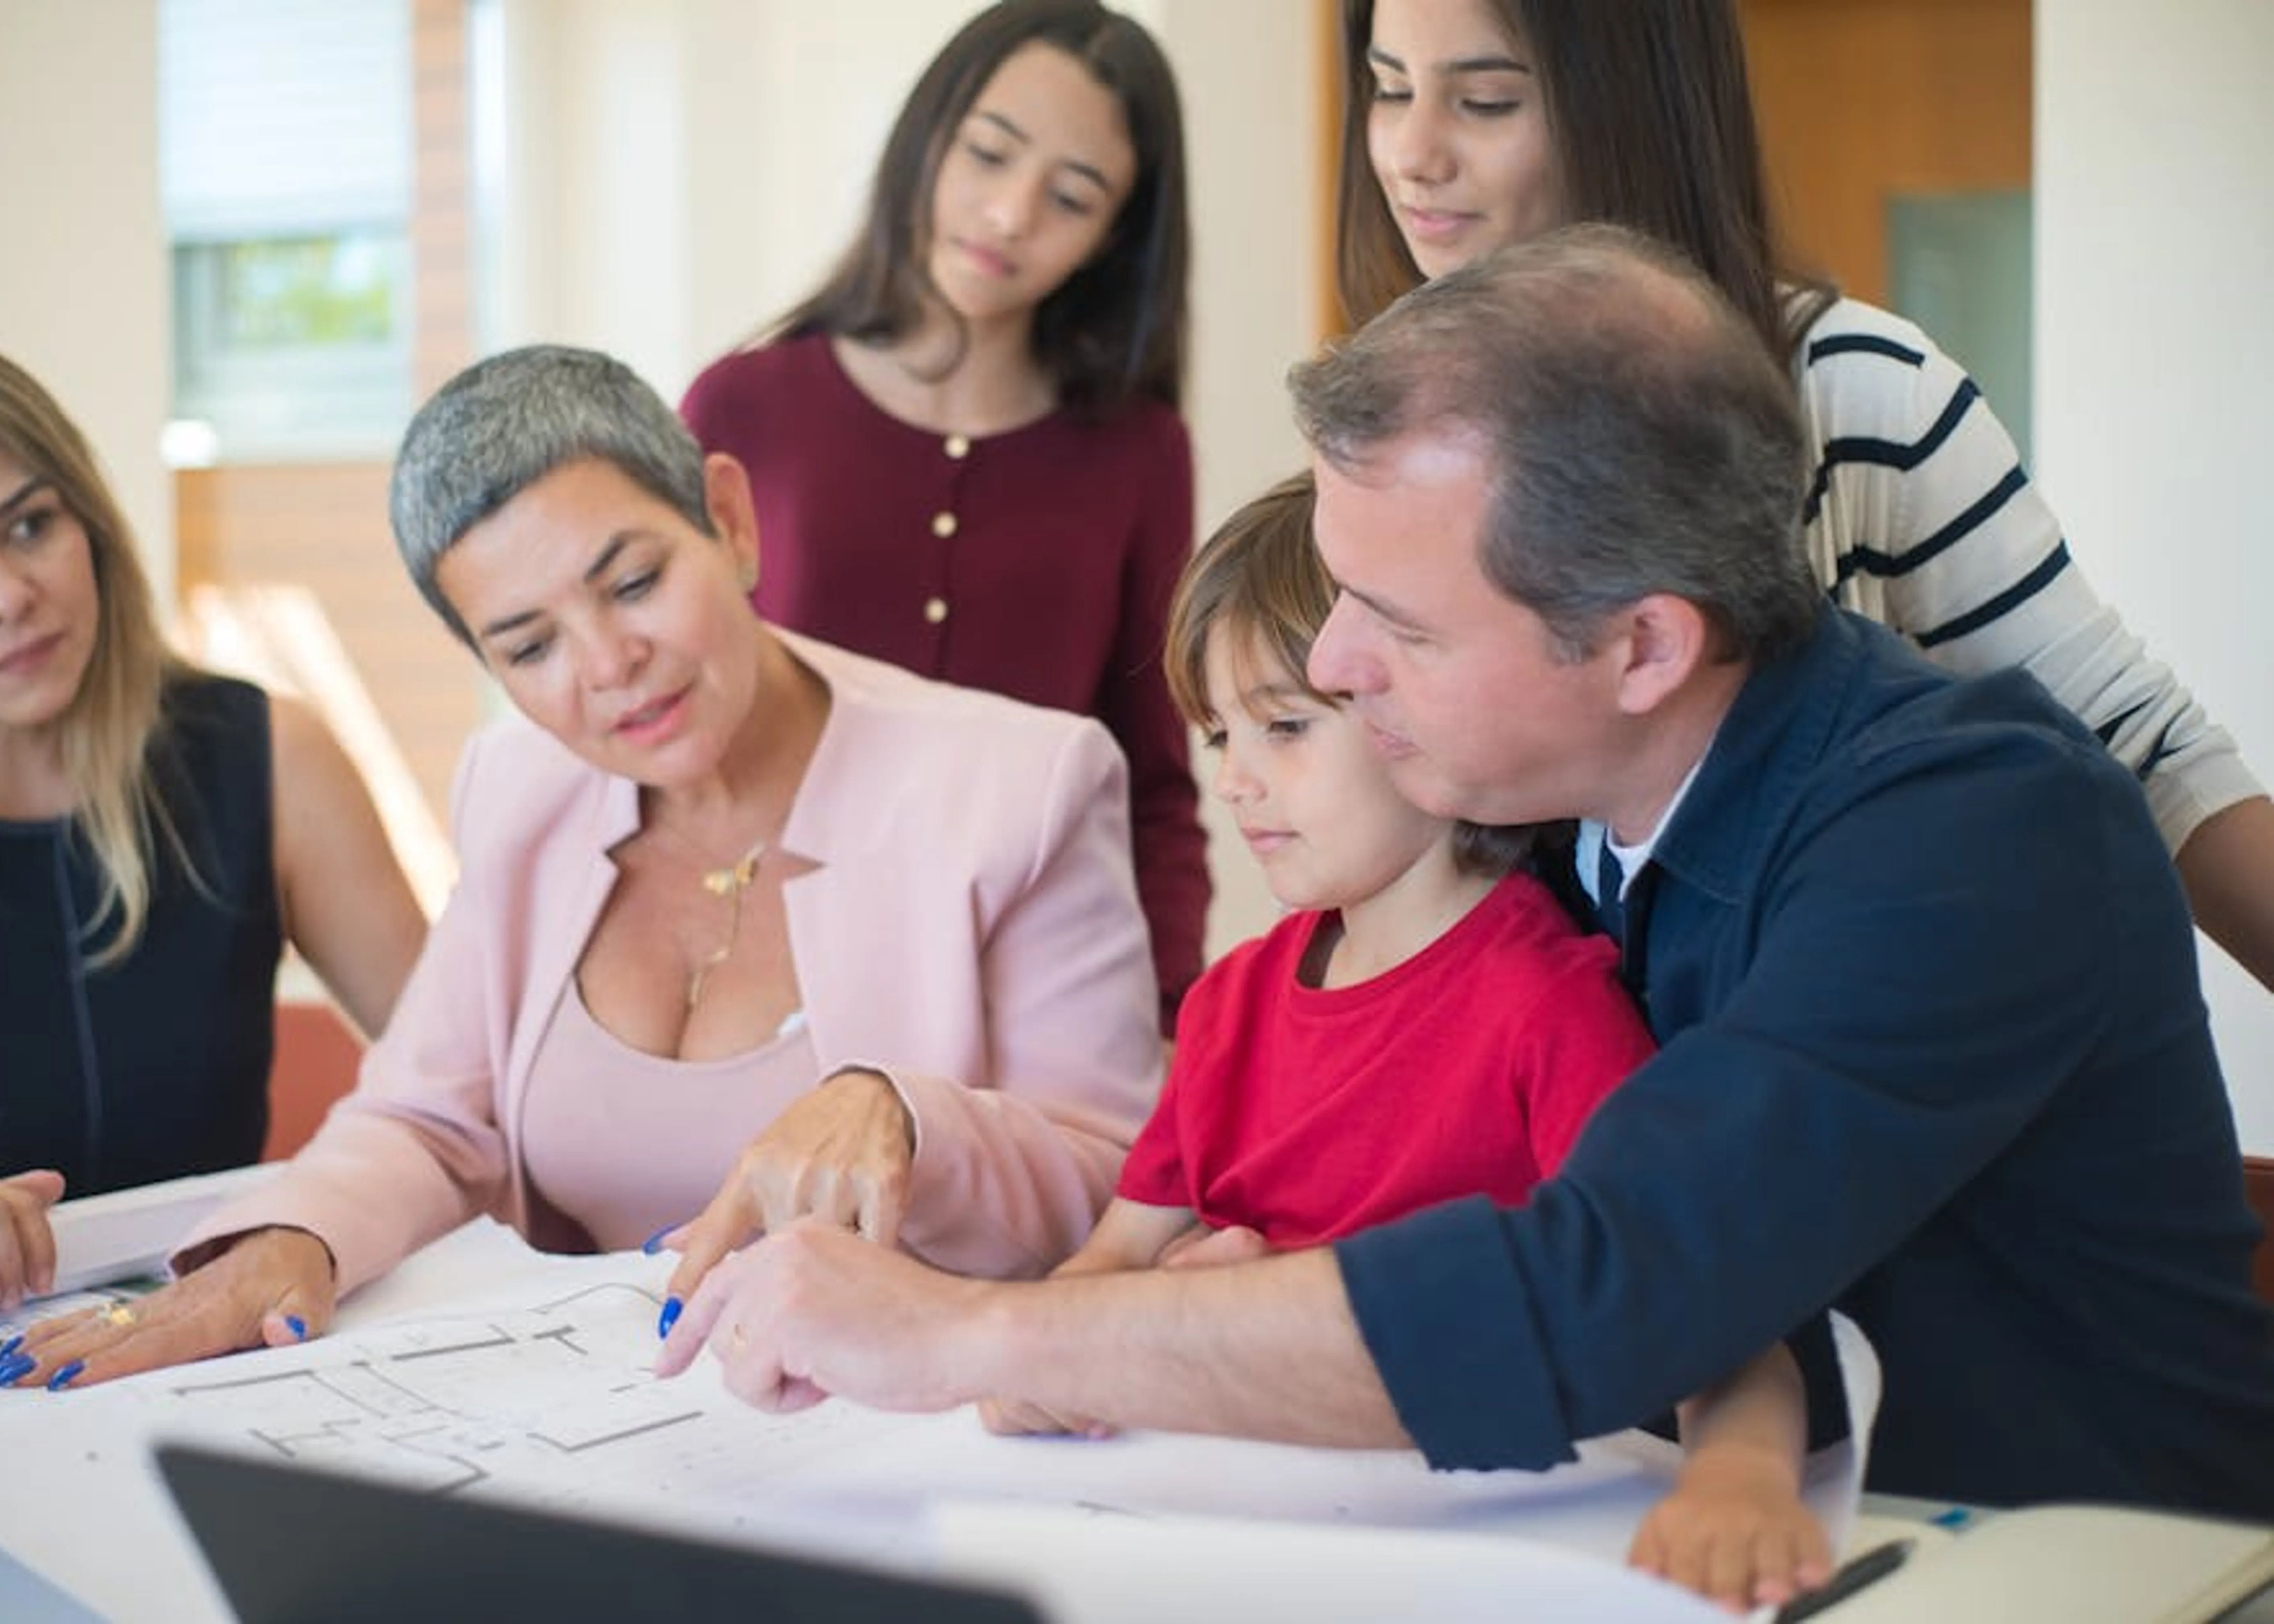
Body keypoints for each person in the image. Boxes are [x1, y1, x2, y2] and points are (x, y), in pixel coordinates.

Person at [653, 228, 2274, 1526]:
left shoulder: (1970, 831)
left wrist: (961, 1331)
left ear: (1641, 645)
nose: (1336, 665)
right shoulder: (1547, 803)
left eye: (1399, 625)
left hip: (2081, 1561)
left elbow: (1606, 1281)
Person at [0, 342, 1164, 1393]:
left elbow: (1117, 1191)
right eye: (530, 644)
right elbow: (425, 1117)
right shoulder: (519, 788)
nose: (608, 665)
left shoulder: (1024, 785)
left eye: (635, 582)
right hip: (592, 1426)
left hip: (899, 1425)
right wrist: (290, 1241)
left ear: (729, 521)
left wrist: (905, 1116)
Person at [979, 473, 1823, 1609]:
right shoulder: (1230, 1006)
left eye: (1284, 727)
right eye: (1220, 734)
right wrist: (1039, 1352)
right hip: (1217, 1540)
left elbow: (1712, 1316)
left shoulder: (1545, 1007)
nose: (1233, 781)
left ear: (1416, 708)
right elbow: (1109, 1263)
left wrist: (1738, 1480)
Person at [1330, 0, 2274, 994]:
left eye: (1484, 101)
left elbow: (2138, 744)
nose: (1411, 155)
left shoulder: (1852, 386)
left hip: (1793, 1048)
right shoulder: (1382, 429)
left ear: (1631, 109)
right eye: (1388, 90)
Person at [0, 320, 425, 1313]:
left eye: (29, 524)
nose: (7, 595)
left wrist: (319, 1222)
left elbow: (468, 1097)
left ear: (88, 521)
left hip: (222, 1350)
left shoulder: (273, 755)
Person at [679, 0, 1209, 1027]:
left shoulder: (1138, 453)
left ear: (1114, 236)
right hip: (763, 972)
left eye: (1071, 196)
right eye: (989, 154)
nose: (1009, 215)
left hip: (1040, 987)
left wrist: (1165, 1016)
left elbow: (1150, 779)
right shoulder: (743, 405)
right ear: (928, 138)